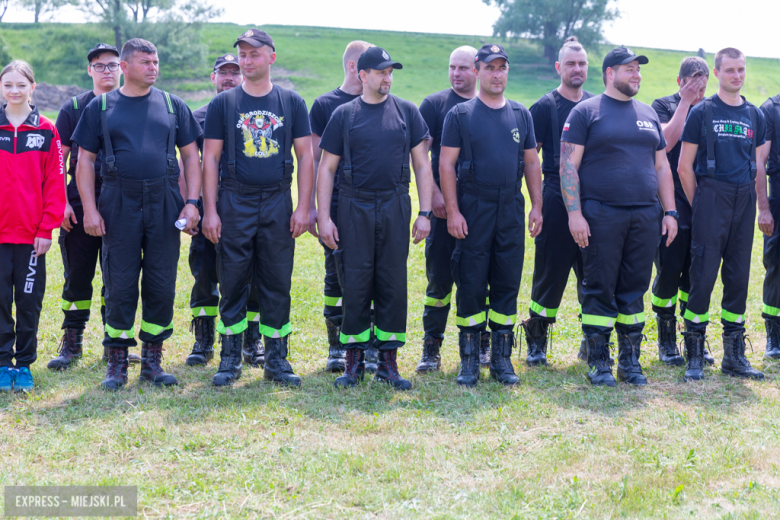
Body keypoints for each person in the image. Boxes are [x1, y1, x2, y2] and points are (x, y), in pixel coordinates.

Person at [72, 38, 202, 390]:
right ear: (126, 68)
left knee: (161, 283)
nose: (153, 68)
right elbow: (84, 160)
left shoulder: (174, 106)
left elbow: (191, 157)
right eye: (146, 62)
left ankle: (152, 361)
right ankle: (116, 362)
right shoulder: (100, 108)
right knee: (120, 284)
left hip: (164, 201)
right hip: (117, 202)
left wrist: (192, 202)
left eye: (156, 61)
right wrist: (89, 209)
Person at [202, 29, 315, 387]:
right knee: (232, 280)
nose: (247, 61)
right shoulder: (225, 104)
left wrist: (304, 207)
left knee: (276, 281)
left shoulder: (291, 102)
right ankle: (230, 358)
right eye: (243, 55)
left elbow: (306, 157)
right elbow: (210, 159)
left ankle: (277, 360)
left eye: (254, 54)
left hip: (278, 200)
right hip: (235, 199)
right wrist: (210, 210)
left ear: (271, 58)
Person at [561, 47, 678, 387]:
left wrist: (669, 211)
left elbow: (661, 167)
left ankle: (630, 361)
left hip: (645, 215)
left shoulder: (648, 114)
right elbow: (568, 165)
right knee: (599, 287)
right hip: (600, 213)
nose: (636, 74)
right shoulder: (587, 112)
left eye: (638, 70)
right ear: (610, 73)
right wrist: (574, 214)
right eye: (629, 69)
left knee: (635, 288)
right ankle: (599, 361)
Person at [318, 46, 432, 390]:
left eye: (390, 72)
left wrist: (425, 213)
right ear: (362, 75)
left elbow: (422, 165)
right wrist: (324, 217)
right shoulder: (343, 115)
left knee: (392, 284)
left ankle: (388, 363)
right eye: (381, 72)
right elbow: (326, 168)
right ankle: (353, 363)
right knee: (354, 283)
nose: (387, 77)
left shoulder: (407, 112)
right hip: (354, 205)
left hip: (396, 204)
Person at [440, 43, 542, 387]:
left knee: (507, 280)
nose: (496, 74)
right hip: (473, 205)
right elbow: (446, 163)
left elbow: (531, 162)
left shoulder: (521, 114)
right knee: (470, 279)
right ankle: (469, 360)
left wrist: (536, 205)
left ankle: (501, 359)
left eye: (502, 68)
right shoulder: (460, 115)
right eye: (490, 68)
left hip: (510, 206)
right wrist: (452, 211)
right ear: (477, 70)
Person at [679, 47, 767, 381]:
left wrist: (758, 205)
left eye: (741, 70)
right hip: (710, 197)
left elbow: (756, 166)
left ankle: (734, 356)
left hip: (743, 200)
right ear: (717, 73)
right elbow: (684, 167)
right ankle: (695, 355)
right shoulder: (701, 112)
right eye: (730, 70)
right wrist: (700, 203)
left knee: (738, 276)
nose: (737, 76)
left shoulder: (754, 115)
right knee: (702, 276)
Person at [48, 43, 129, 370]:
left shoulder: (131, 104)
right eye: (100, 66)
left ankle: (115, 345)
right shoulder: (75, 107)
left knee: (119, 277)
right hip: (80, 201)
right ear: (90, 70)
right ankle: (72, 342)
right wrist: (62, 202)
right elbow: (58, 158)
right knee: (78, 275)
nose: (106, 70)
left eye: (112, 65)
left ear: (122, 68)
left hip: (122, 200)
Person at [184, 54, 265, 370]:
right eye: (223, 73)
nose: (229, 78)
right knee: (204, 274)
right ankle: (203, 341)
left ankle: (251, 340)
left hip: (248, 206)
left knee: (253, 275)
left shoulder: (252, 115)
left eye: (235, 72)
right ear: (212, 77)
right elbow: (186, 163)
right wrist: (190, 205)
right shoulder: (197, 117)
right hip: (209, 207)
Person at [523, 36, 594, 366]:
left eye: (581, 63)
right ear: (558, 67)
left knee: (593, 274)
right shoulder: (544, 107)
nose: (576, 69)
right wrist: (536, 205)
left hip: (593, 200)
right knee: (550, 273)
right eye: (570, 63)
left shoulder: (596, 106)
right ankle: (536, 339)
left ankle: (591, 340)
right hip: (555, 198)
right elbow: (529, 160)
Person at [0, 60, 66, 391]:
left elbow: (55, 183)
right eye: (8, 84)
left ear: (32, 88)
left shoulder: (46, 130)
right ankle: (1, 364)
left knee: (28, 302)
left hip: (31, 238)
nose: (14, 91)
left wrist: (45, 229)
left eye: (20, 85)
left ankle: (23, 364)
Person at [309, 40, 374, 373]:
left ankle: (372, 345)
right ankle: (336, 345)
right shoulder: (325, 105)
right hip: (336, 203)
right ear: (354, 67)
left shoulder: (383, 103)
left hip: (375, 204)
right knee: (336, 276)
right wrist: (316, 210)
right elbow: (316, 160)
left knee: (375, 274)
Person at [414, 45, 480, 374]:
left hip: (480, 211)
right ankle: (431, 348)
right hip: (442, 210)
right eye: (452, 67)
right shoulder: (435, 105)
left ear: (478, 70)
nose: (456, 73)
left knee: (479, 279)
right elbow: (421, 158)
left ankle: (478, 346)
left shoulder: (489, 106)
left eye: (463, 68)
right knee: (439, 281)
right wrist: (435, 196)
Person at [650, 57, 711, 367]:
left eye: (704, 82)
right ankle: (666, 336)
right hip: (670, 202)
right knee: (670, 269)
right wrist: (685, 102)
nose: (699, 88)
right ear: (679, 81)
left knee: (698, 272)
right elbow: (664, 141)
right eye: (693, 81)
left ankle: (693, 335)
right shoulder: (661, 106)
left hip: (702, 202)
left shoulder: (712, 109)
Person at [760, 89, 780, 359]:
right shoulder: (771, 108)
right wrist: (763, 208)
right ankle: (774, 336)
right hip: (778, 197)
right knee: (776, 264)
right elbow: (759, 161)